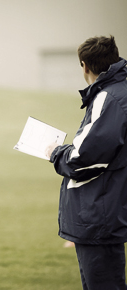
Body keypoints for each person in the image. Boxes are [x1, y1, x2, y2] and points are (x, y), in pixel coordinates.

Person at [45, 36, 127, 290]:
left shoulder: (109, 97)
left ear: (84, 66)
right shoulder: (120, 91)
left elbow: (84, 161)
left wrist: (56, 152)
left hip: (99, 212)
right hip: (110, 208)